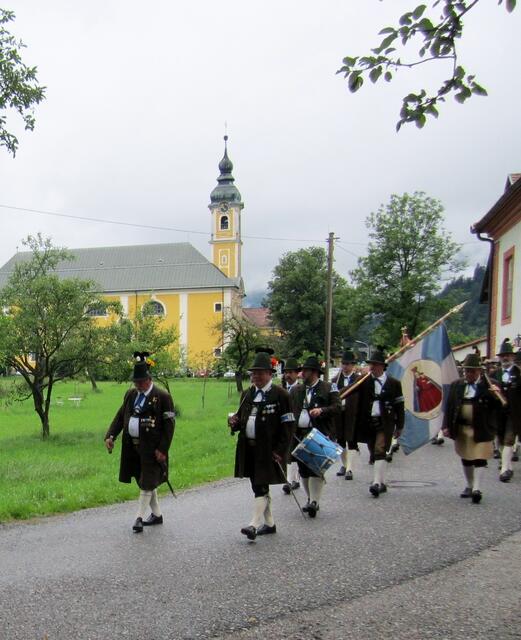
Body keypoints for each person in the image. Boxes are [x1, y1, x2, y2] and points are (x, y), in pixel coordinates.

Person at [104, 352, 175, 533]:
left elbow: (169, 426)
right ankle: (157, 515)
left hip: (152, 448)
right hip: (132, 447)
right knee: (143, 480)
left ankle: (139, 518)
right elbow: (120, 417)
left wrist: (163, 449)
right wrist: (110, 436)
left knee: (147, 482)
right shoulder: (131, 394)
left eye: (141, 382)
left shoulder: (162, 397)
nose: (138, 385)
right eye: (136, 382)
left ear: (149, 379)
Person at [229, 351, 294, 541]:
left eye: (259, 373)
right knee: (257, 485)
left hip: (268, 450)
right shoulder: (247, 394)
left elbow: (288, 427)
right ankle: (270, 524)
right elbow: (242, 419)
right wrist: (234, 423)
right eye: (253, 373)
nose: (255, 376)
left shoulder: (280, 395)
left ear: (269, 374)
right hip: (248, 448)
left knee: (260, 486)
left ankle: (254, 524)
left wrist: (280, 451)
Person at [442, 353, 499, 503]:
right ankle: (470, 484)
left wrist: (495, 395)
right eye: (466, 371)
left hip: (482, 427)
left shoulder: (490, 384)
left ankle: (477, 488)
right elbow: (449, 406)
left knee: (480, 457)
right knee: (466, 457)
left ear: (479, 371)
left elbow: (500, 407)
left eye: (472, 371)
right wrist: (445, 426)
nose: (468, 374)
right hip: (462, 427)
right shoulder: (457, 385)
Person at [290, 356, 341, 517]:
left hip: (319, 432)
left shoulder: (329, 387)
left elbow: (337, 407)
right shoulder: (296, 390)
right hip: (299, 433)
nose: (302, 374)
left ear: (314, 372)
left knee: (316, 468)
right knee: (303, 469)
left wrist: (322, 410)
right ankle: (310, 498)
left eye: (305, 371)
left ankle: (314, 502)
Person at [354, 348, 404, 498]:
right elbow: (351, 391)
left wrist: (400, 425)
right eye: (371, 364)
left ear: (382, 366)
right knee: (372, 451)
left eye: (375, 364)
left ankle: (376, 483)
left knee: (379, 450)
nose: (372, 367)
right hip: (368, 421)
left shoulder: (394, 383)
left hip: (385, 422)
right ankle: (381, 482)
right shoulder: (364, 381)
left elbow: (399, 405)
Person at [493, 339, 521, 482]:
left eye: (507, 355)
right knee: (500, 438)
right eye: (503, 355)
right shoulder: (494, 375)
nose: (505, 358)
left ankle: (504, 470)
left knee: (509, 439)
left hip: (514, 412)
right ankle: (507, 465)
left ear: (513, 357)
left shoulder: (519, 373)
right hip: (498, 412)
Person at [332, 350, 362, 480]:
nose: (345, 366)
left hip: (353, 413)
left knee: (352, 440)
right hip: (339, 413)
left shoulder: (358, 380)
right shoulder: (335, 380)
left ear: (353, 365)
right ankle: (344, 465)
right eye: (343, 363)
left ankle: (350, 468)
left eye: (348, 364)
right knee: (340, 440)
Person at [281, 357, 301, 494]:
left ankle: (293, 480)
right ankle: (290, 480)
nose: (287, 375)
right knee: (287, 452)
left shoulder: (302, 389)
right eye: (286, 372)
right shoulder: (281, 389)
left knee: (295, 453)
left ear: (297, 374)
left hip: (299, 425)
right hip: (284, 425)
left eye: (290, 372)